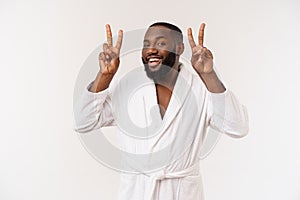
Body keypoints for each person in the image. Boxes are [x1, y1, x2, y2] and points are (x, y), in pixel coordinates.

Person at [74, 22, 249, 200]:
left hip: (181, 192)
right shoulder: (127, 86)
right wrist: (105, 76)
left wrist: (208, 75)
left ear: (179, 48)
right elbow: (83, 122)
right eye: (146, 44)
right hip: (137, 192)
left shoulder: (201, 88)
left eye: (161, 43)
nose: (151, 50)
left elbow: (238, 127)